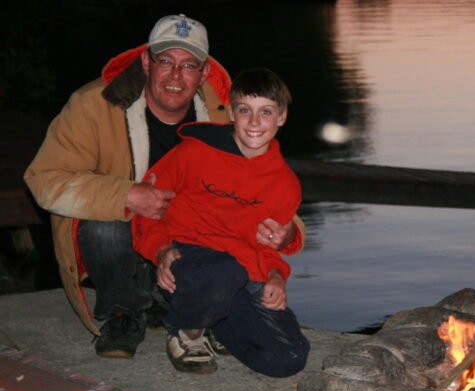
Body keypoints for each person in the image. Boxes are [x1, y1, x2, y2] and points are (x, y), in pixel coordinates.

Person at [23, 14, 304, 359]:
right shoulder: (92, 105)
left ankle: (179, 304)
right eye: (165, 62)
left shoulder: (225, 112)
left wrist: (289, 234)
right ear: (145, 61)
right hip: (127, 235)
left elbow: (265, 188)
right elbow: (43, 179)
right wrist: (125, 194)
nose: (176, 75)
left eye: (189, 66)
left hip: (195, 244)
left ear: (203, 73)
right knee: (104, 227)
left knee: (280, 345)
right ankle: (122, 312)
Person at [132, 68, 309, 376]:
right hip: (191, 259)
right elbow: (148, 207)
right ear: (231, 113)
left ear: (281, 117)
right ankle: (186, 330)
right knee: (224, 272)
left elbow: (268, 245)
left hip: (243, 271)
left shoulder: (286, 184)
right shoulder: (192, 154)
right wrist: (160, 250)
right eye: (245, 111)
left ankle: (218, 324)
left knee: (289, 358)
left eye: (265, 112)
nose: (254, 123)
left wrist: (276, 276)